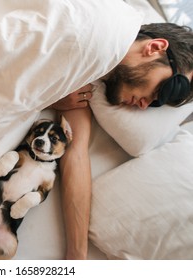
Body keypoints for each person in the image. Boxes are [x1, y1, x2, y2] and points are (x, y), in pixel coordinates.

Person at [50, 22, 193, 259]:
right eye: (164, 90)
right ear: (155, 47)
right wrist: (49, 94)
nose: (146, 104)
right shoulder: (97, 20)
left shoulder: (84, 87)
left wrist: (77, 257)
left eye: (158, 104)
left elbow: (76, 153)